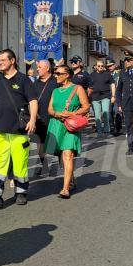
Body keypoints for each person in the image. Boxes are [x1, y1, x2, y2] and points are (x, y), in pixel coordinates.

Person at [0, 49, 37, 208]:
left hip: (19, 129)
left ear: (12, 61)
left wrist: (32, 120)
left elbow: (33, 101)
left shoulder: (24, 80)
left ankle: (20, 192)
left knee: (20, 162)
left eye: (3, 60)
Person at [46, 65, 90, 199]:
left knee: (67, 154)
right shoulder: (55, 91)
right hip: (56, 124)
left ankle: (65, 189)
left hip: (71, 126)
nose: (56, 75)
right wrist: (57, 114)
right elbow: (49, 110)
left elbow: (86, 107)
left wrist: (73, 113)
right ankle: (72, 179)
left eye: (59, 73)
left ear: (67, 75)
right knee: (61, 156)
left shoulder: (78, 88)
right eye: (55, 73)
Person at [31, 59, 59, 176]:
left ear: (47, 68)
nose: (37, 69)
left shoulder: (56, 81)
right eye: (37, 67)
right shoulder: (35, 83)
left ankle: (63, 164)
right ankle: (45, 165)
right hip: (39, 118)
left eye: (40, 67)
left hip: (54, 117)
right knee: (40, 143)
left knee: (56, 143)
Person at [89, 61, 114, 137]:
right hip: (95, 97)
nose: (100, 67)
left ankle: (107, 130)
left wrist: (113, 95)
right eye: (99, 66)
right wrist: (88, 97)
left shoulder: (107, 74)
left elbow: (112, 84)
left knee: (105, 113)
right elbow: (89, 87)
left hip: (105, 96)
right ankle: (99, 131)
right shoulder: (92, 75)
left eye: (102, 66)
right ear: (96, 66)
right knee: (97, 115)